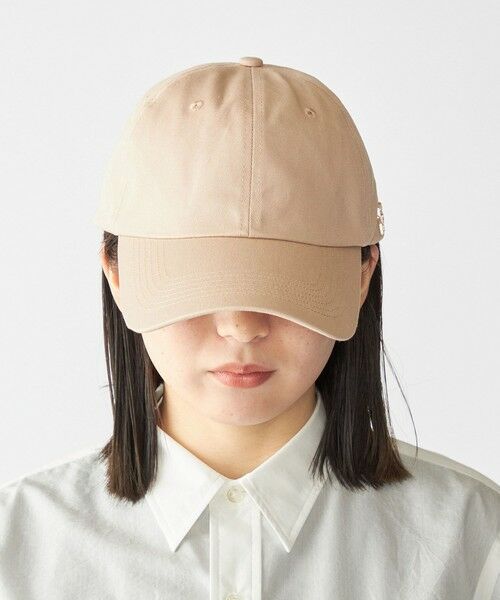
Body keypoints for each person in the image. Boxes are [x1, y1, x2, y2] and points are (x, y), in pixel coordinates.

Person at [1, 56, 499, 600]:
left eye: (285, 287)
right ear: (116, 275)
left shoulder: (473, 542)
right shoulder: (18, 548)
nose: (241, 327)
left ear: (362, 277)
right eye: (198, 286)